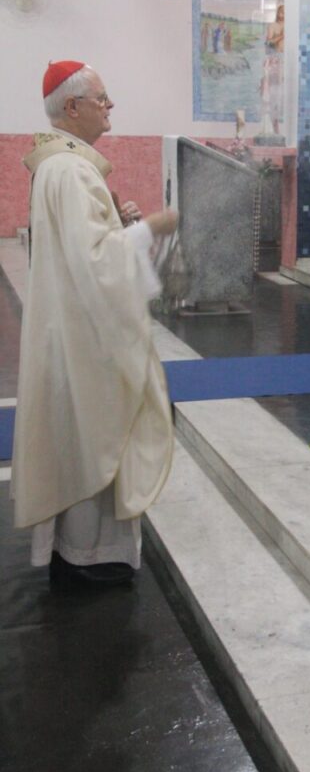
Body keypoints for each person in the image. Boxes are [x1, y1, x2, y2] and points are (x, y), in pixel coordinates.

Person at [11, 60, 178, 586]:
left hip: (76, 324)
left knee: (84, 434)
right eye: (102, 98)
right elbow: (98, 263)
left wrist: (118, 221)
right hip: (86, 334)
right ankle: (90, 555)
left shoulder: (65, 166)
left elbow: (81, 249)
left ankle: (85, 550)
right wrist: (150, 227)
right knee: (94, 435)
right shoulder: (69, 169)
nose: (110, 107)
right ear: (72, 107)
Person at [261, 3, 285, 135]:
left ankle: (281, 130)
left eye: (286, 12)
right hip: (275, 61)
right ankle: (273, 129)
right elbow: (269, 44)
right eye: (282, 11)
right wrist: (282, 35)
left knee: (282, 96)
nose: (284, 15)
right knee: (272, 96)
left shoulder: (291, 26)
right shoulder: (273, 26)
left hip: (286, 63)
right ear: (278, 13)